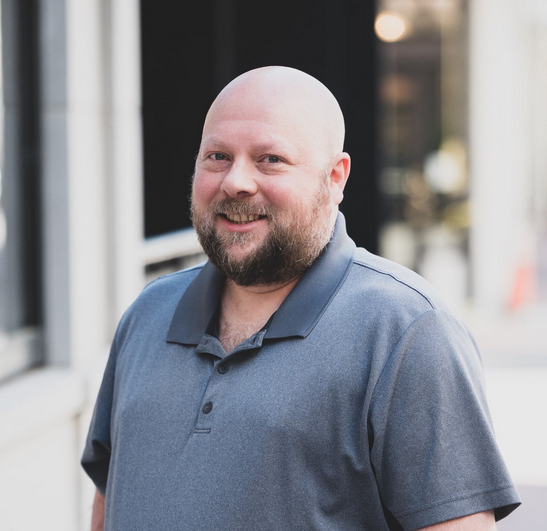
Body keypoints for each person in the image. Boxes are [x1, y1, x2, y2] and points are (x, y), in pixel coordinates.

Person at [82, 66, 520, 531]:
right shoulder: (148, 314)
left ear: (335, 178)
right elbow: (109, 504)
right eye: (217, 156)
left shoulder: (407, 330)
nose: (236, 181)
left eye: (270, 159)